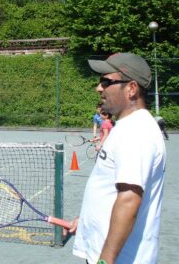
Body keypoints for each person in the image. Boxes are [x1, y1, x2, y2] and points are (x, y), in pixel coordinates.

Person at [71, 53, 166, 264]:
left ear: (131, 89)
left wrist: (105, 260)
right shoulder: (127, 127)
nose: (99, 88)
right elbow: (111, 191)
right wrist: (86, 221)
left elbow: (129, 199)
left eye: (106, 82)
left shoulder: (135, 132)